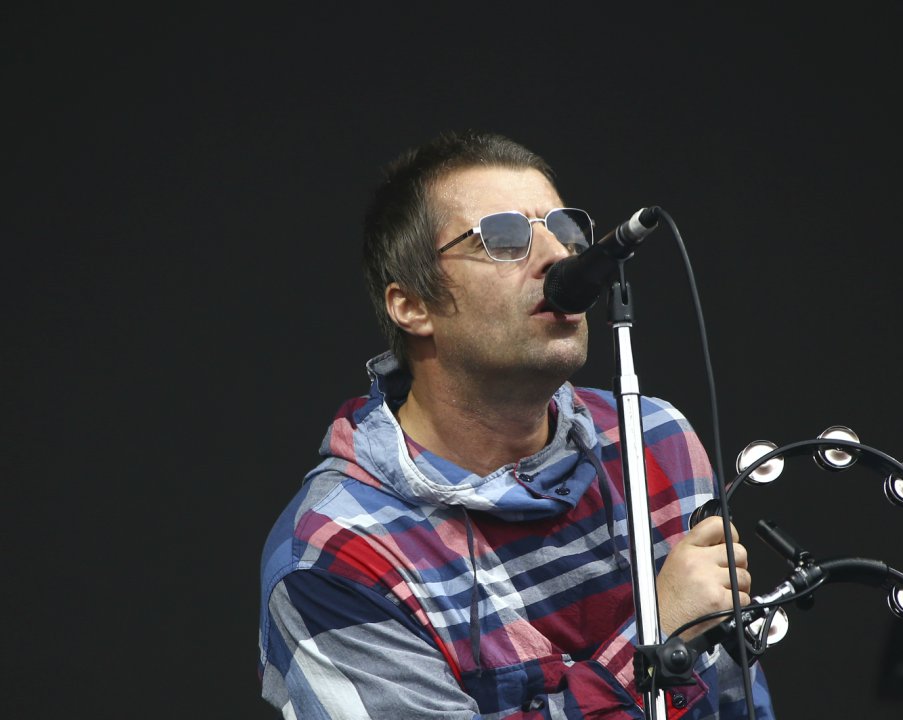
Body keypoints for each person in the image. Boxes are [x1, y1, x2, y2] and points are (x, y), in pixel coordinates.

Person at [257, 129, 775, 719]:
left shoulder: (656, 439)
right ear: (412, 306)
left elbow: (739, 700)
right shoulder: (336, 553)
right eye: (503, 238)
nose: (558, 256)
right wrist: (657, 642)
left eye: (562, 229)